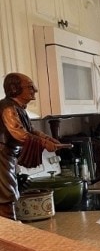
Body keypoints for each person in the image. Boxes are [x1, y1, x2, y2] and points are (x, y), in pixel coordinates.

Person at [0, 73, 68, 220]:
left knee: (8, 193)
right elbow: (19, 134)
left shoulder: (18, 107)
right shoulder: (7, 108)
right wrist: (44, 143)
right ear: (14, 88)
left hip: (7, 157)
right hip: (2, 158)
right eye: (30, 86)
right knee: (6, 195)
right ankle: (9, 234)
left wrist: (48, 139)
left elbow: (30, 130)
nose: (35, 90)